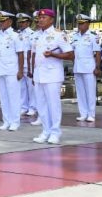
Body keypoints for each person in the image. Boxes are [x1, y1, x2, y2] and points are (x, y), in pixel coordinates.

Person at [31, 8, 73, 144]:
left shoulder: (58, 35)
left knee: (53, 105)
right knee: (41, 105)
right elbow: (34, 55)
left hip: (52, 75)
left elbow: (70, 55)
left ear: (51, 19)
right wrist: (33, 73)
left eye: (44, 18)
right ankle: (45, 131)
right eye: (39, 18)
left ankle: (55, 132)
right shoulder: (36, 35)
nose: (40, 20)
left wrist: (54, 54)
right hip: (39, 75)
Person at [0, 11, 24, 131]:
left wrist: (20, 70)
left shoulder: (16, 35)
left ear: (10, 21)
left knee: (13, 96)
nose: (1, 23)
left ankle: (15, 121)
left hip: (12, 70)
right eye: (0, 21)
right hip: (0, 69)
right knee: (3, 97)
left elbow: (20, 54)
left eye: (3, 21)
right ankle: (6, 121)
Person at [71, 14, 101, 121]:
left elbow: (97, 53)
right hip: (77, 67)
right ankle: (83, 113)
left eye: (82, 23)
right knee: (80, 92)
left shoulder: (93, 36)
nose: (80, 26)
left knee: (90, 91)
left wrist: (97, 67)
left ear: (88, 24)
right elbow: (72, 52)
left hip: (89, 67)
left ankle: (91, 114)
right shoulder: (74, 36)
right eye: (79, 24)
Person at [16, 13, 36, 117]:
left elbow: (31, 52)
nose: (21, 24)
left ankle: (32, 107)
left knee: (30, 87)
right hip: (19, 64)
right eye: (20, 22)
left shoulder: (32, 34)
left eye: (23, 22)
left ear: (28, 22)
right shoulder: (17, 34)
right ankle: (23, 107)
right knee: (21, 87)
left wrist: (30, 67)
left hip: (28, 64)